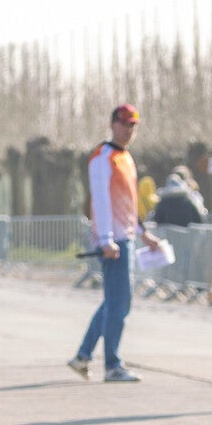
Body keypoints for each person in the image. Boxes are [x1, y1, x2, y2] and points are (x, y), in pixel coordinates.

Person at [67, 104, 160, 383]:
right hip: (113, 241)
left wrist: (143, 233)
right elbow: (101, 201)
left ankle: (83, 356)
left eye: (133, 125)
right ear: (112, 125)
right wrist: (106, 239)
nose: (128, 130)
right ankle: (112, 365)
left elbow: (129, 203)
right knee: (119, 305)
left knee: (113, 303)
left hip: (125, 237)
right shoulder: (102, 158)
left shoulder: (126, 158)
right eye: (124, 124)